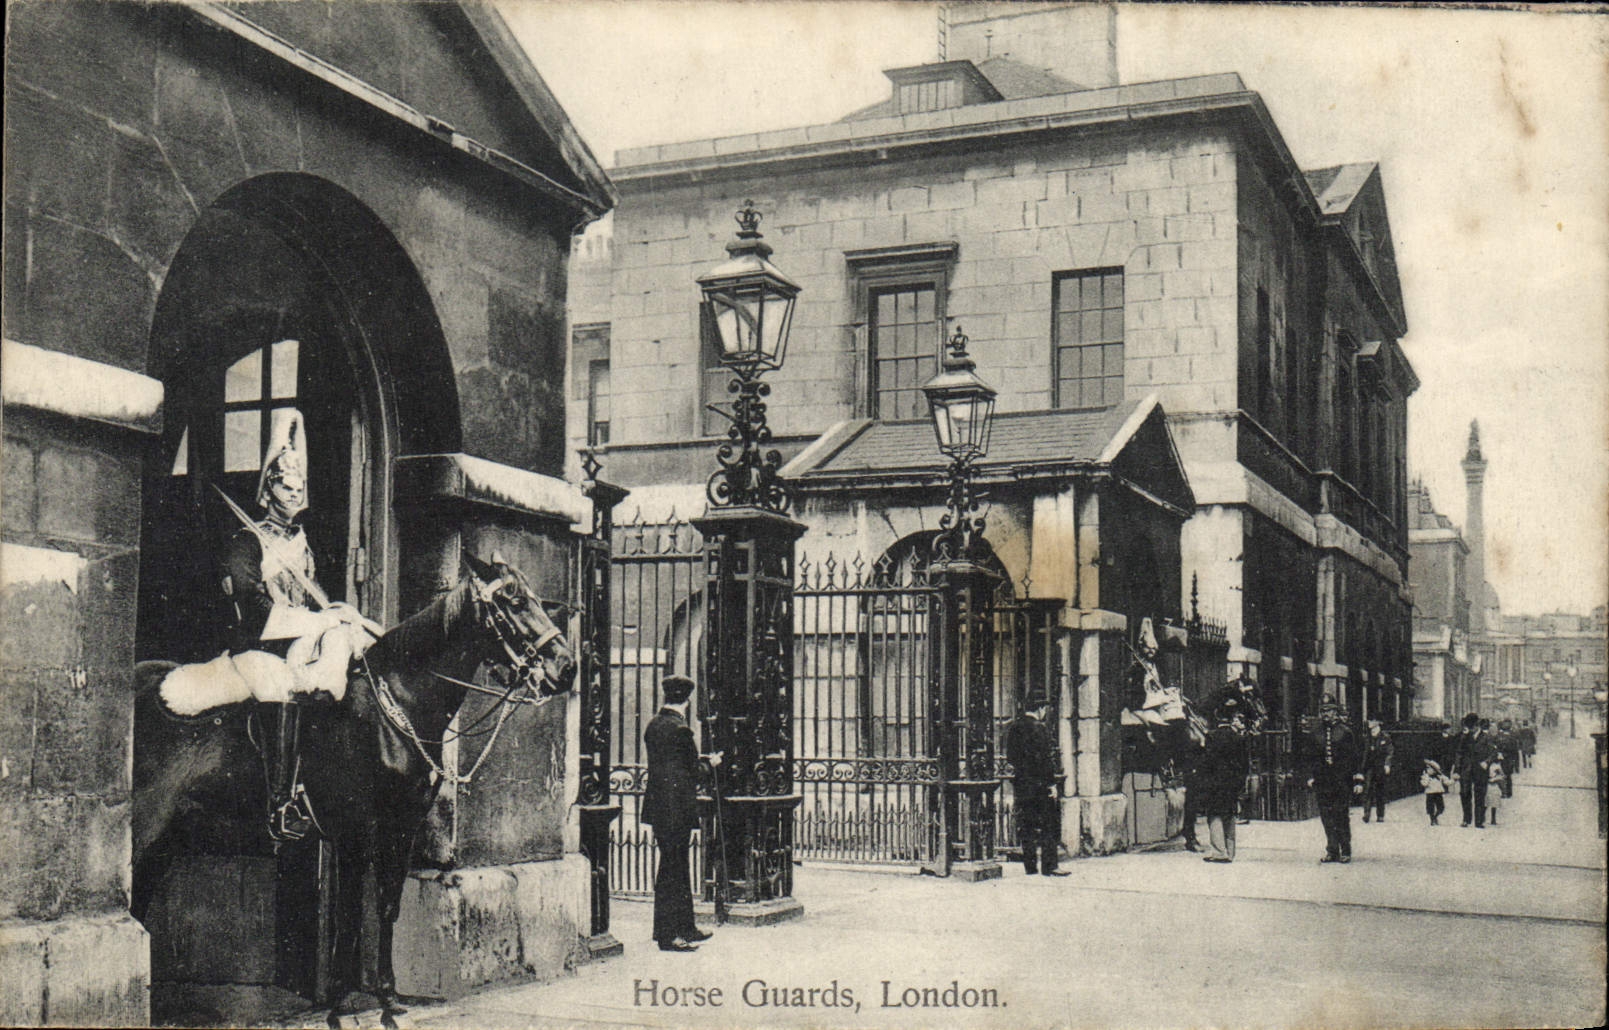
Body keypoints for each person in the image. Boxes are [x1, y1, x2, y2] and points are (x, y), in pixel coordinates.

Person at [219, 411, 377, 840]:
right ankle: (281, 804)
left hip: (299, 640)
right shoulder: (247, 541)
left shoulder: (301, 546)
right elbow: (254, 609)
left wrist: (338, 612)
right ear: (268, 489)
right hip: (259, 645)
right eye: (286, 486)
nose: (293, 493)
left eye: (299, 487)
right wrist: (317, 620)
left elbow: (312, 597)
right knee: (280, 688)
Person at [643, 675, 720, 952]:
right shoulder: (682, 730)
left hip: (660, 808)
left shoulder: (654, 725)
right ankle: (668, 935)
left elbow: (670, 764)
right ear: (686, 701)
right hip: (677, 809)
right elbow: (691, 772)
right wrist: (711, 764)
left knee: (674, 866)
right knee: (673, 870)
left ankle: (686, 927)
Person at [1004, 694, 1067, 876]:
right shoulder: (1040, 728)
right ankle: (1050, 866)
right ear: (1040, 709)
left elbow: (1011, 757)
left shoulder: (1014, 728)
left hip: (1022, 785)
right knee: (1048, 825)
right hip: (1040, 785)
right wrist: (1051, 784)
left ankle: (1030, 867)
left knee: (1027, 827)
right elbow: (1045, 760)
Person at [1302, 696, 1363, 863]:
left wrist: (1358, 780)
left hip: (1341, 781)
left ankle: (1345, 849)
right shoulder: (1315, 733)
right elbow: (1309, 757)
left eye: (1329, 710)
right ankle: (1332, 849)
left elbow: (1354, 757)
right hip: (1323, 781)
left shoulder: (1345, 732)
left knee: (1341, 814)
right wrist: (1310, 776)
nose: (1325, 714)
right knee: (1326, 816)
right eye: (1323, 711)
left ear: (1335, 712)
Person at [1196, 698, 1251, 863]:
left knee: (1214, 815)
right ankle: (1230, 851)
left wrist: (1202, 781)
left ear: (1217, 717)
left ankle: (1219, 852)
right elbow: (1244, 764)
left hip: (1214, 782)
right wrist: (1240, 783)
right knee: (1230, 815)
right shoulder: (1238, 738)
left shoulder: (1211, 737)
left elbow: (1206, 762)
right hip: (1232, 783)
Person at [1451, 713, 1496, 828]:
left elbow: (1493, 753)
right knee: (1464, 793)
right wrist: (1457, 770)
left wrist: (1487, 762)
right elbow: (1459, 753)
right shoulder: (1465, 737)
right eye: (1469, 727)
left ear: (1477, 725)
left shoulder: (1487, 737)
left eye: (1472, 727)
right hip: (1466, 770)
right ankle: (1466, 819)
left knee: (1480, 795)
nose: (1471, 730)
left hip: (1480, 770)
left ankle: (1479, 821)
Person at [1359, 719, 1394, 823]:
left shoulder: (1385, 737)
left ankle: (1380, 815)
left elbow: (1390, 752)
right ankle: (1366, 814)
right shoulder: (1368, 738)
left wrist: (1387, 764)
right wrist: (1362, 769)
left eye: (1374, 729)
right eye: (1371, 729)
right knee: (1367, 790)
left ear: (1378, 728)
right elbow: (1365, 754)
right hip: (1370, 767)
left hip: (1380, 767)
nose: (1372, 731)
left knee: (1380, 790)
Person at [1494, 719, 1519, 796]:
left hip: (1502, 758)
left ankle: (1504, 792)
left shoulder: (1499, 736)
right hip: (1509, 759)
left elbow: (1496, 746)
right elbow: (1515, 750)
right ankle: (1508, 792)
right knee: (1508, 775)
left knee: (1502, 775)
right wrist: (1516, 764)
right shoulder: (1512, 736)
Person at [1420, 758, 1448, 826]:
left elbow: (1447, 782)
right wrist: (1427, 779)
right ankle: (1432, 819)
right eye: (1428, 768)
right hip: (1430, 793)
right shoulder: (1426, 776)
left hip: (1438, 793)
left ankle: (1435, 817)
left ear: (1435, 770)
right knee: (1430, 807)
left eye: (1431, 769)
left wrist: (1453, 780)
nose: (1429, 770)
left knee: (1441, 807)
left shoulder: (1439, 776)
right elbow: (1424, 784)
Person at [1485, 760, 1506, 826]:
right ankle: (1483, 817)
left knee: (1494, 802)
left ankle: (1493, 819)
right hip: (1487, 784)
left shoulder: (1497, 766)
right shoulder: (1486, 765)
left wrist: (1496, 778)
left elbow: (1502, 776)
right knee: (1486, 801)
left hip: (1494, 784)